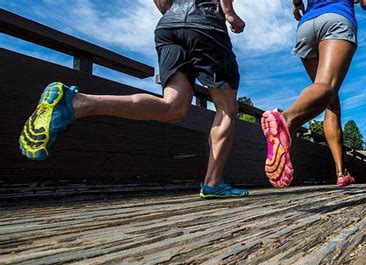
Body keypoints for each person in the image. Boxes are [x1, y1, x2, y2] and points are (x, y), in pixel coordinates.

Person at [18, 0, 249, 199]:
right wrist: (229, 13)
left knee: (173, 108)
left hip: (169, 26)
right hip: (206, 24)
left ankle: (77, 103)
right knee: (227, 108)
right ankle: (213, 183)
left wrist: (174, 17)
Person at [261, 0, 366, 188]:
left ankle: (341, 172)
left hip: (306, 25)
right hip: (336, 19)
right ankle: (285, 120)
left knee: (330, 100)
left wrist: (297, 5)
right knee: (326, 86)